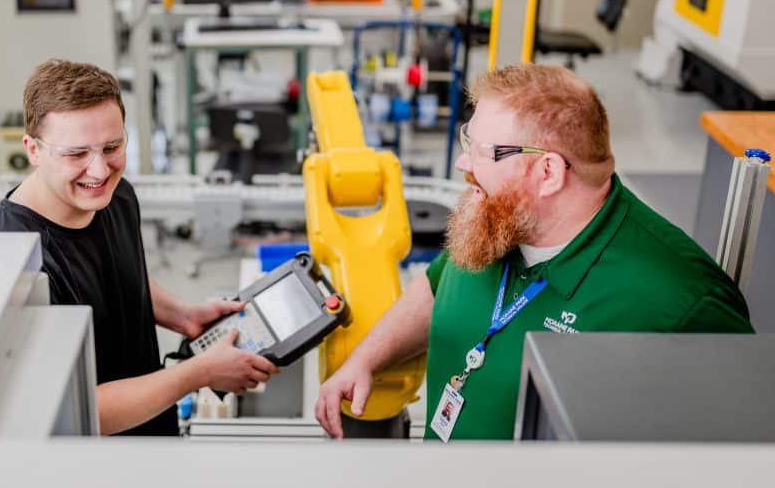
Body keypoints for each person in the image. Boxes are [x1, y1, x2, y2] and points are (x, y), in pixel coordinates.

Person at [315, 64, 753, 441]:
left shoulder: (679, 300)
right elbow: (437, 286)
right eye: (468, 141)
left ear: (547, 172)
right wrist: (365, 360)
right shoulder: (492, 224)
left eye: (482, 152)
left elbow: (744, 441)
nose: (463, 165)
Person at [0, 59, 278, 436]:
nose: (100, 170)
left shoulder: (116, 197)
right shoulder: (12, 258)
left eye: (113, 146)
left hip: (152, 425)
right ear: (33, 150)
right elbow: (77, 412)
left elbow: (121, 275)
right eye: (75, 154)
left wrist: (184, 315)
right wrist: (197, 373)